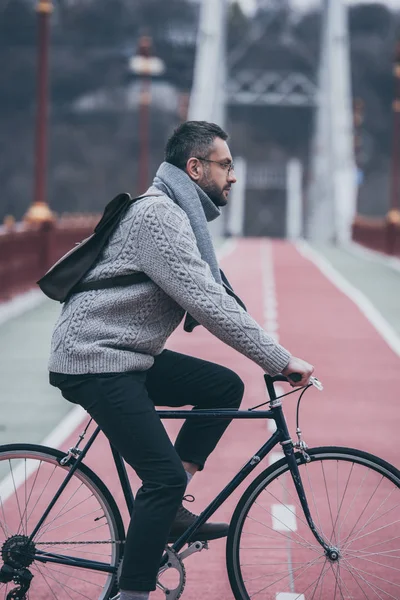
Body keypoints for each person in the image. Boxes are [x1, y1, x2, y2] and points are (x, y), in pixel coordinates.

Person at [49, 120, 313, 600]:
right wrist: (278, 358)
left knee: (222, 387)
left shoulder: (178, 214)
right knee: (163, 478)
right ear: (194, 168)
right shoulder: (160, 216)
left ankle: (167, 511)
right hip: (95, 357)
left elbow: (213, 296)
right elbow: (207, 302)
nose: (233, 176)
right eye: (225, 165)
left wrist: (268, 354)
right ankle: (135, 589)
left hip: (126, 354)